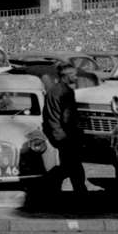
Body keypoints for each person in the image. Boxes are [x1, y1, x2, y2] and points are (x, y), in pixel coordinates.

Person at [41, 60, 89, 204]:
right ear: (66, 76)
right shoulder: (65, 92)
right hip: (65, 135)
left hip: (57, 133)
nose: (76, 77)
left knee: (71, 165)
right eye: (74, 75)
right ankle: (78, 193)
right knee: (72, 166)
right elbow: (67, 117)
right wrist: (76, 134)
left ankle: (62, 190)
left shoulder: (53, 90)